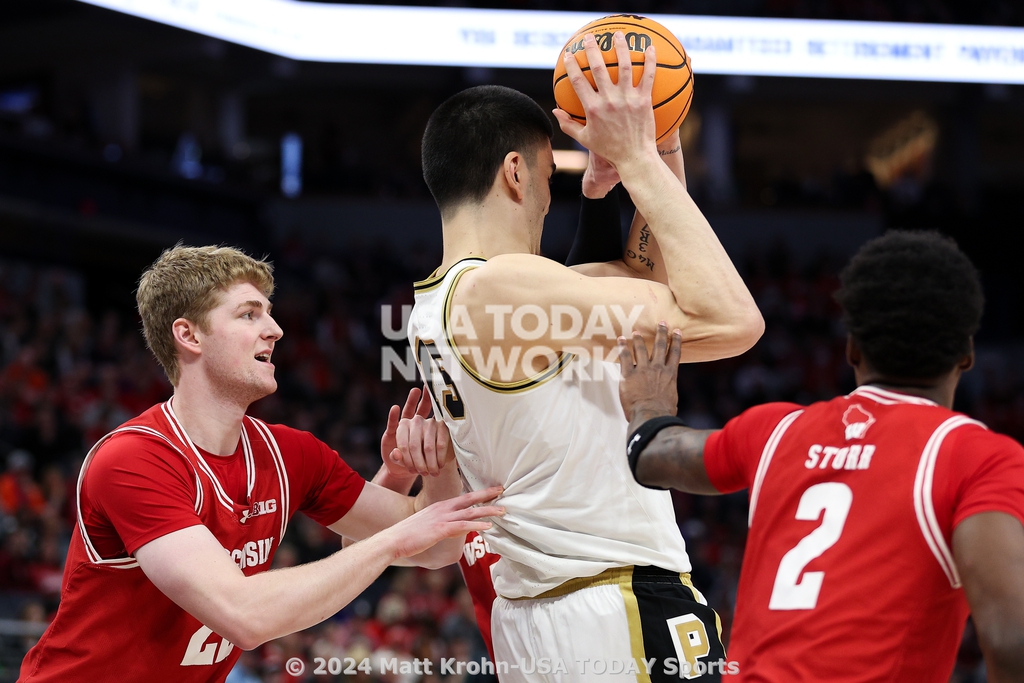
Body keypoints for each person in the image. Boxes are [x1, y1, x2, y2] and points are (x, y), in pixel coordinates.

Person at [405, 32, 763, 682]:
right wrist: (638, 159)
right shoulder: (496, 289)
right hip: (607, 608)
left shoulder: (441, 302)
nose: (549, 193)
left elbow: (644, 276)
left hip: (551, 614)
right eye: (549, 175)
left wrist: (660, 146)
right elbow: (731, 319)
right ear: (515, 172)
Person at [20, 245, 503, 683]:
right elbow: (243, 616)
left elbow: (437, 549)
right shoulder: (133, 459)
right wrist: (394, 540)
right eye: (249, 314)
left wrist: (436, 465)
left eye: (269, 313)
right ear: (189, 335)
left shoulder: (291, 452)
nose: (275, 329)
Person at [617, 231, 1024, 682]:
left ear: (851, 348)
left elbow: (651, 453)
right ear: (967, 355)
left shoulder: (777, 430)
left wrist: (649, 404)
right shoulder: (978, 457)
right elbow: (1011, 642)